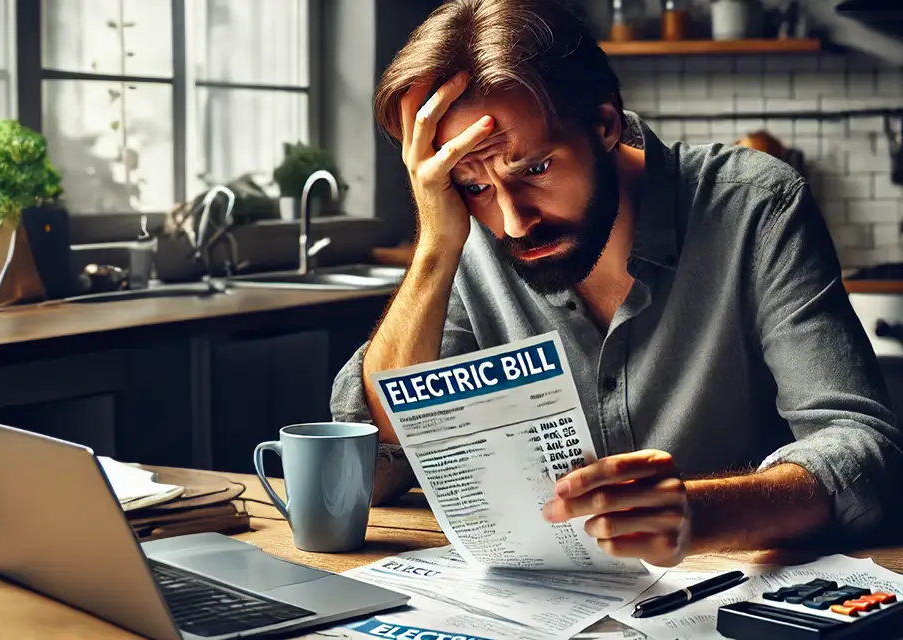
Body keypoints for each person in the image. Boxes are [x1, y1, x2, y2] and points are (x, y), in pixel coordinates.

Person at [330, 0, 903, 568]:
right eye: (473, 185)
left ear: (604, 124)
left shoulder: (757, 205)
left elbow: (865, 451)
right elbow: (369, 467)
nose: (513, 221)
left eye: (534, 169)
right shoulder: (468, 241)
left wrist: (697, 514)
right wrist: (433, 249)